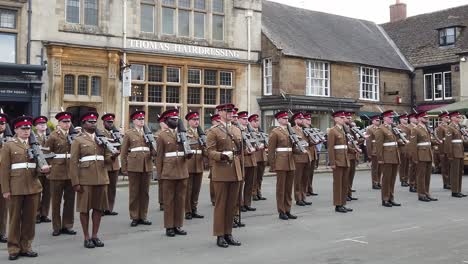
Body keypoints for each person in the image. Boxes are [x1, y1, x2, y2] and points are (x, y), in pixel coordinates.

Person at [1, 116, 50, 260]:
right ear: (16, 129)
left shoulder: (34, 145)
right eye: (23, 128)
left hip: (33, 186)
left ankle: (26, 246)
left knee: (29, 220)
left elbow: (39, 166)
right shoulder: (9, 145)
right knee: (15, 219)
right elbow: (4, 170)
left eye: (28, 128)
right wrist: (5, 189)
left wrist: (45, 170)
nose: (26, 131)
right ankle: (13, 248)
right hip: (15, 187)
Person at [70, 112, 116, 248]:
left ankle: (95, 235)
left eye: (95, 121)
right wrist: (75, 182)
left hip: (101, 178)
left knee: (98, 209)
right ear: (84, 124)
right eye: (90, 122)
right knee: (84, 210)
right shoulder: (78, 140)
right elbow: (73, 163)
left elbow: (106, 158)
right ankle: (86, 237)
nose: (93, 124)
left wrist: (113, 156)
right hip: (85, 179)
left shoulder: (101, 138)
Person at [207, 103, 243, 248]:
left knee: (232, 205)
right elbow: (209, 152)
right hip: (221, 170)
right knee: (221, 205)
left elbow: (240, 151)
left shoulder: (236, 129)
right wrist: (221, 155)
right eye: (227, 111)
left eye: (232, 111)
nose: (230, 113)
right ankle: (220, 235)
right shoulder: (213, 131)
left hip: (235, 170)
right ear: (220, 112)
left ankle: (229, 233)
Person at [45, 111, 77, 236]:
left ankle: (67, 225)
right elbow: (47, 153)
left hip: (71, 172)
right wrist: (51, 166)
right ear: (59, 123)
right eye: (64, 122)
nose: (67, 124)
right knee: (56, 201)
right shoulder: (53, 136)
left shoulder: (75, 135)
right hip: (57, 172)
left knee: (70, 200)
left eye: (68, 121)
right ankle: (56, 227)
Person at [121, 110, 154, 227]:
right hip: (134, 165)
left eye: (142, 119)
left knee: (145, 193)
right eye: (139, 119)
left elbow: (153, 150)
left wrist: (153, 145)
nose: (141, 121)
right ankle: (134, 216)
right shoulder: (129, 133)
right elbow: (123, 152)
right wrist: (124, 168)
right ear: (134, 121)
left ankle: (143, 216)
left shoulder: (148, 133)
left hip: (147, 165)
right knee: (134, 192)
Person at [268, 111, 298, 220]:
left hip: (290, 161)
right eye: (284, 118)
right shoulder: (275, 132)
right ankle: (281, 211)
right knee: (281, 188)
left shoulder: (290, 131)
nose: (286, 120)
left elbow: (293, 147)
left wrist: (300, 149)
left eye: (287, 118)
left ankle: (288, 209)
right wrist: (272, 165)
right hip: (280, 161)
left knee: (289, 188)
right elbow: (271, 150)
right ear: (279, 120)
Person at [409, 111, 438, 202]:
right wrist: (415, 158)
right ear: (419, 118)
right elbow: (413, 145)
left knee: (427, 176)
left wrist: (436, 142)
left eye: (427, 118)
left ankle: (426, 193)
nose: (427, 119)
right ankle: (421, 194)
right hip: (421, 155)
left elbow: (428, 141)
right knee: (421, 176)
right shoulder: (415, 129)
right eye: (425, 118)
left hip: (428, 153)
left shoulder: (426, 128)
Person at [375, 110, 401, 208]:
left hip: (394, 156)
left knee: (392, 179)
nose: (392, 119)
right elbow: (378, 145)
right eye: (390, 118)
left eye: (392, 118)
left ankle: (391, 198)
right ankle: (385, 199)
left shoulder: (392, 128)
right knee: (386, 179)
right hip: (386, 157)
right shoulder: (381, 129)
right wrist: (380, 158)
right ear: (385, 118)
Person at [327, 111, 352, 213]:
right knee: (338, 184)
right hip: (337, 160)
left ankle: (343, 203)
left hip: (345, 159)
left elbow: (346, 146)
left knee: (344, 183)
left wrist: (354, 149)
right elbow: (330, 148)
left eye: (344, 117)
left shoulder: (343, 130)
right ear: (336, 119)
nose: (343, 119)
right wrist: (332, 162)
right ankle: (338, 205)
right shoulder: (333, 131)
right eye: (341, 117)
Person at [184, 111, 205, 220]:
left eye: (197, 120)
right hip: (189, 164)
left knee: (196, 189)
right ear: (189, 121)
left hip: (199, 164)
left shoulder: (202, 134)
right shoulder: (185, 133)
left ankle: (194, 208)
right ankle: (187, 210)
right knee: (188, 189)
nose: (196, 122)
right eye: (194, 120)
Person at [237, 111, 257, 213]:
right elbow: (237, 147)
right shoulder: (237, 130)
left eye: (246, 119)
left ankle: (247, 203)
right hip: (243, 160)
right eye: (243, 119)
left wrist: (257, 147)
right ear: (238, 120)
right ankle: (240, 204)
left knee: (249, 184)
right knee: (240, 184)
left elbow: (254, 142)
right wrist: (246, 151)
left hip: (252, 160)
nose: (246, 121)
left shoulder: (250, 130)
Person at [291, 112, 312, 206]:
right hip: (298, 157)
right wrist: (299, 151)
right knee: (298, 179)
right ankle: (298, 198)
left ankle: (303, 196)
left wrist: (316, 141)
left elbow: (308, 143)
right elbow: (292, 146)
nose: (302, 120)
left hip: (307, 157)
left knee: (305, 179)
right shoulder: (292, 130)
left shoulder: (304, 130)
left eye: (302, 119)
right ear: (296, 120)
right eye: (300, 119)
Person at [101, 113, 120, 216]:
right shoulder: (100, 133)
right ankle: (102, 208)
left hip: (115, 164)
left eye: (111, 122)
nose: (110, 124)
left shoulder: (116, 133)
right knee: (103, 188)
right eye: (108, 122)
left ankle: (109, 208)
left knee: (112, 188)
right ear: (103, 123)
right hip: (105, 164)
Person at [33, 116, 52, 224]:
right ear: (36, 127)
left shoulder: (50, 137)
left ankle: (44, 214)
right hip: (38, 168)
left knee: (47, 193)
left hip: (49, 167)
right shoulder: (33, 137)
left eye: (44, 123)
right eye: (40, 124)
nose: (43, 125)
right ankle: (36, 214)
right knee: (37, 193)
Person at [445, 111, 467, 198]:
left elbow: (461, 141)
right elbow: (448, 142)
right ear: (452, 118)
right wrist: (449, 154)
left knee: (459, 172)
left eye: (459, 117)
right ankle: (454, 191)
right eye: (457, 117)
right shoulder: (450, 127)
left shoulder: (458, 127)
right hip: (454, 152)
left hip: (460, 151)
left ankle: (459, 190)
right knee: (455, 172)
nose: (459, 119)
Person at [250, 114, 268, 201]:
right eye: (255, 121)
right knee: (254, 176)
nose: (257, 123)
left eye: (257, 121)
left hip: (262, 156)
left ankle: (259, 191)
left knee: (260, 177)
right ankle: (253, 193)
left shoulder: (261, 132)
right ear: (251, 122)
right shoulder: (249, 132)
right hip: (255, 156)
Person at [303, 113, 319, 196]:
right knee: (306, 173)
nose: (309, 121)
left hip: (313, 152)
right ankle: (305, 190)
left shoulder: (312, 129)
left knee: (311, 173)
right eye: (307, 119)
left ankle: (310, 188)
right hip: (307, 152)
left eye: (310, 120)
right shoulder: (303, 130)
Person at [0, 113, 10, 243]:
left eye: (2, 123)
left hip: (4, 178)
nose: (1, 125)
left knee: (3, 208)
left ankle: (1, 232)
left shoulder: (11, 140)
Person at [207, 114, 221, 206]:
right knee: (213, 179)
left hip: (221, 157)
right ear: (213, 122)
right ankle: (213, 198)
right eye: (217, 121)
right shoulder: (210, 131)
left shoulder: (222, 130)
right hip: (213, 158)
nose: (219, 123)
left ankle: (219, 197)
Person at [435, 112, 451, 189]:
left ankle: (449, 182)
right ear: (442, 118)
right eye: (446, 117)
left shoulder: (448, 127)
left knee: (449, 167)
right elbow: (440, 141)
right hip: (444, 150)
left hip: (449, 149)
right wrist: (442, 152)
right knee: (445, 167)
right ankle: (446, 183)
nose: (448, 119)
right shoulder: (440, 128)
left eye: (448, 117)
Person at [365, 115, 382, 189]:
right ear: (373, 121)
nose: (378, 121)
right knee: (375, 168)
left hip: (380, 150)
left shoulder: (381, 128)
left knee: (380, 168)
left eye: (379, 120)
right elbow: (368, 142)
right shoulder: (370, 129)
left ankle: (378, 181)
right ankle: (374, 183)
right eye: (377, 120)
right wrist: (369, 153)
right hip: (374, 151)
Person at [407, 113, 418, 193]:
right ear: (410, 119)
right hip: (412, 149)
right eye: (414, 118)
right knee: (413, 168)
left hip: (419, 150)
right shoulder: (408, 127)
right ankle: (412, 184)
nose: (416, 119)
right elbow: (407, 140)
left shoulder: (417, 127)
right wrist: (410, 151)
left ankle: (417, 184)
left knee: (418, 169)